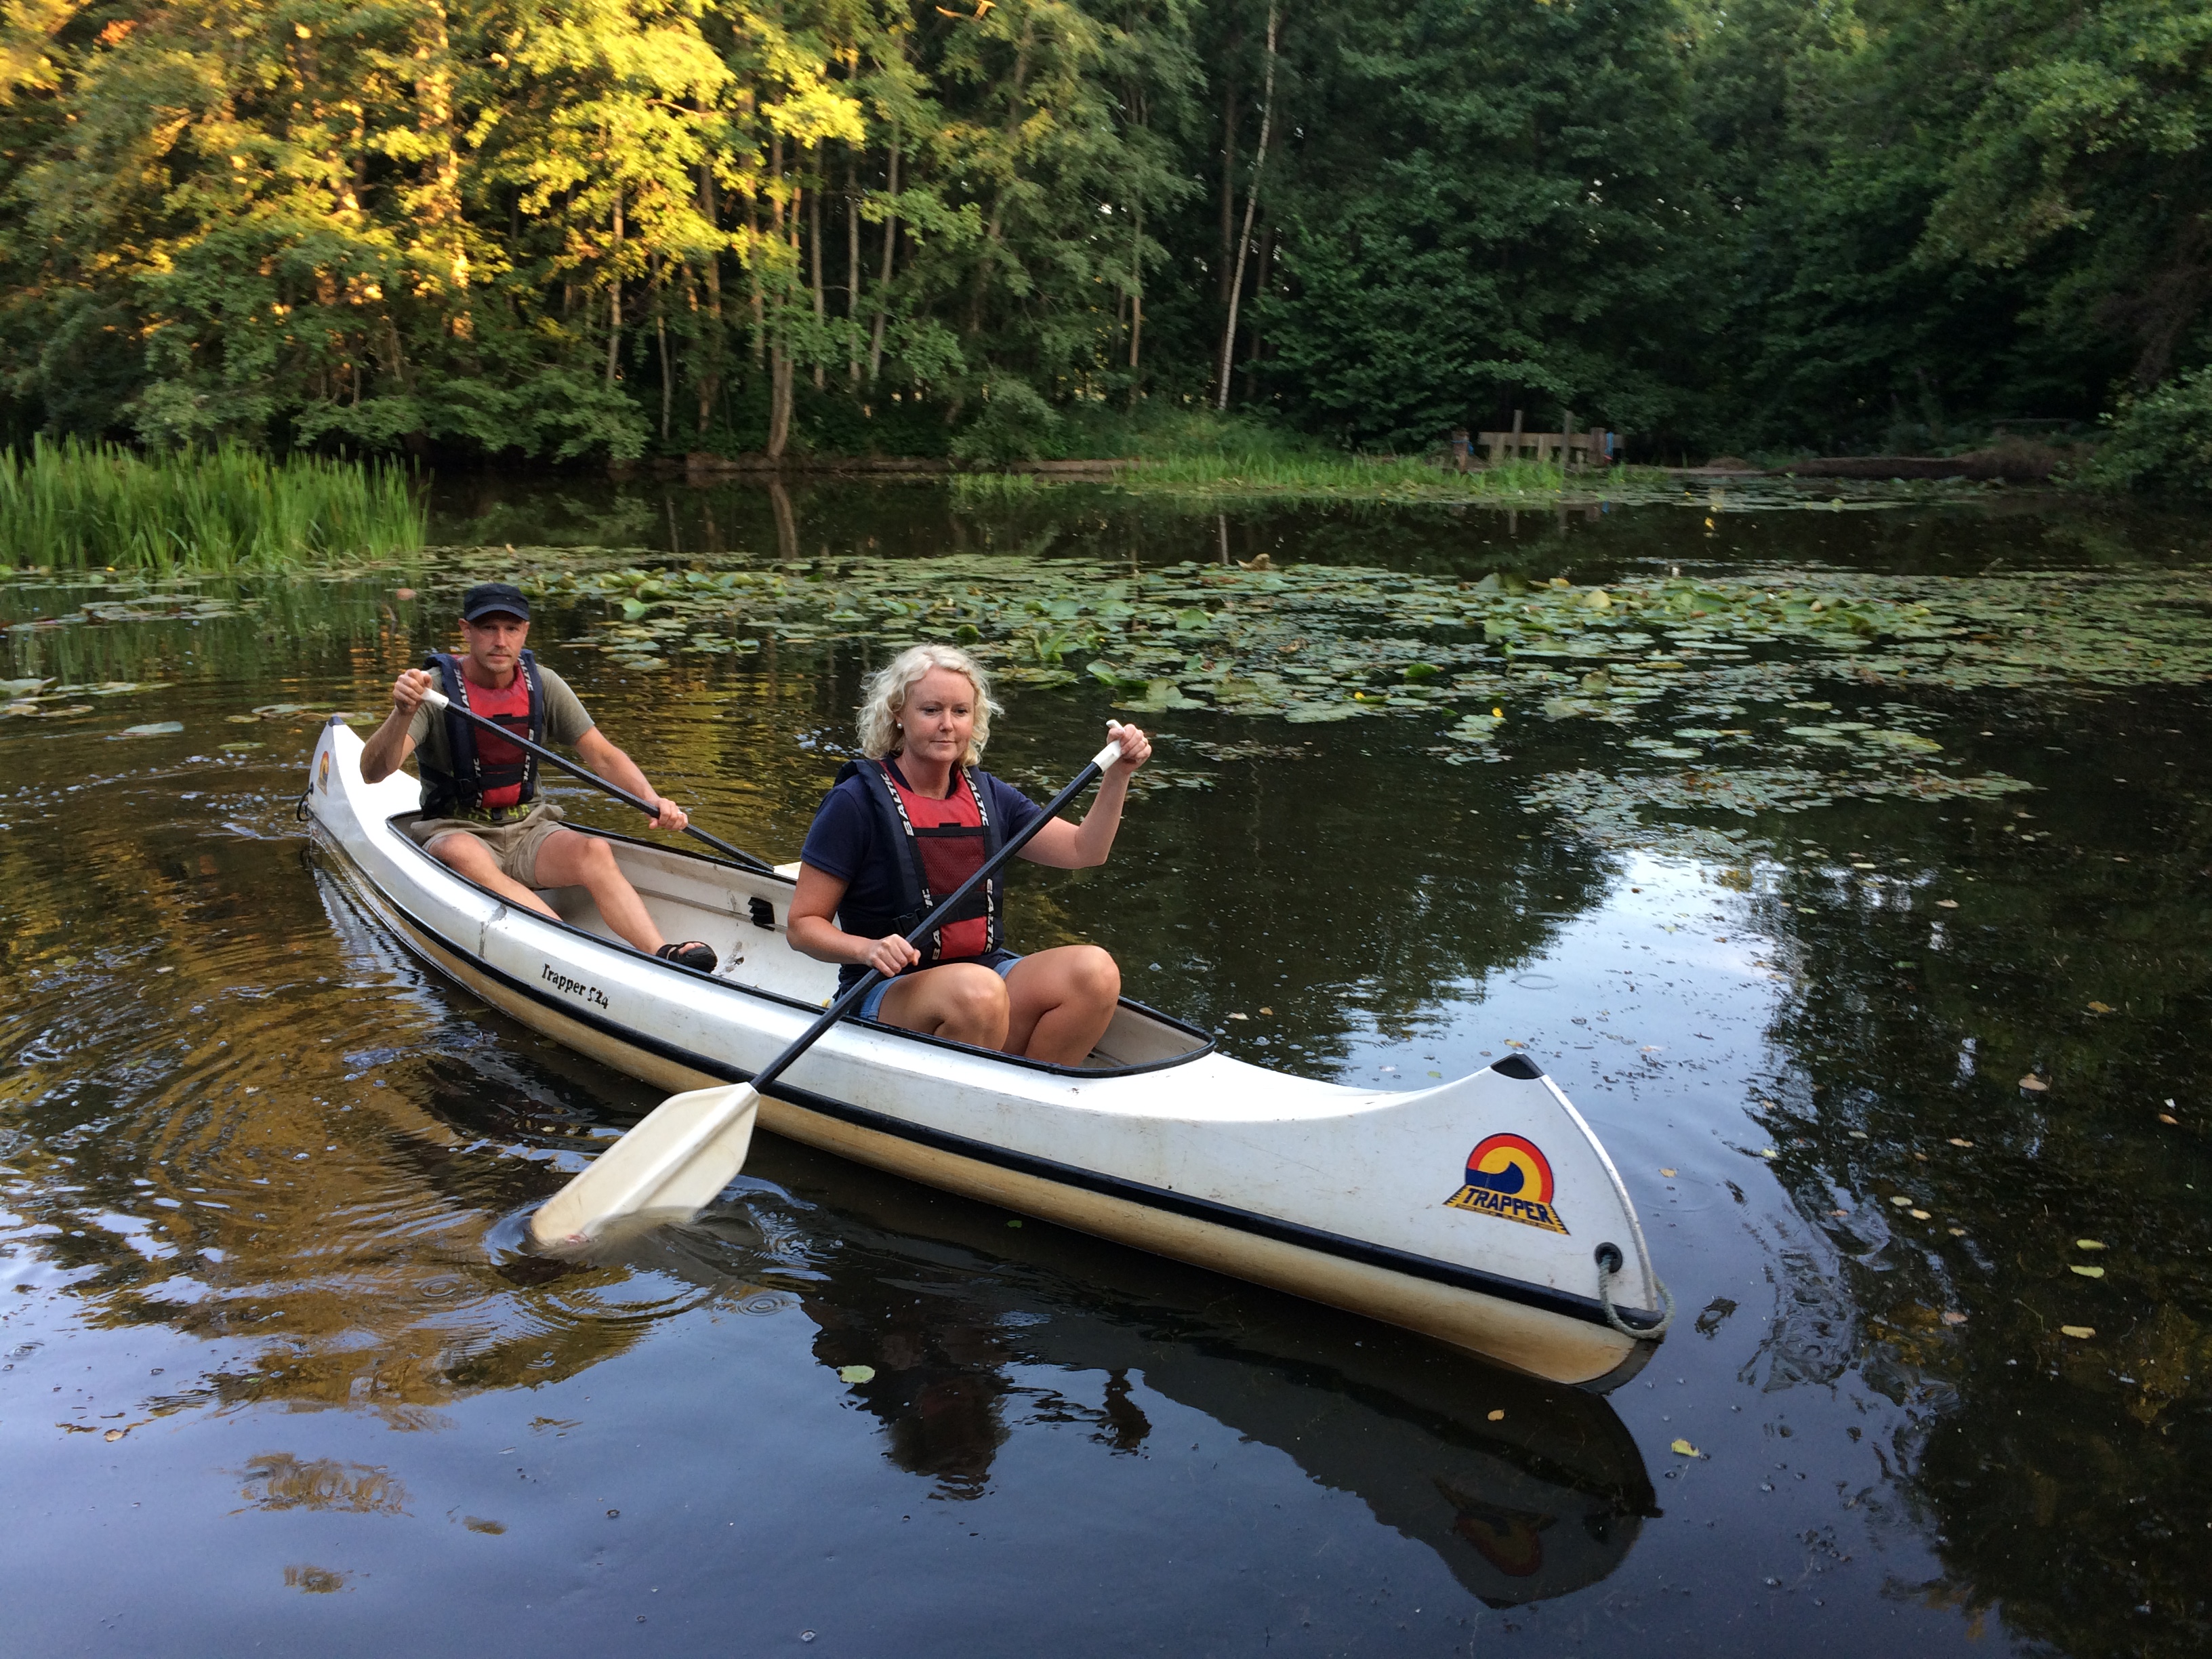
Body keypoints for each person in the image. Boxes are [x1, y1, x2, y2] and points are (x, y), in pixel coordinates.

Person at [788, 643, 1152, 1065]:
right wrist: (865, 949)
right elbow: (802, 926)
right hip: (884, 991)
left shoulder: (989, 795)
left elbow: (1084, 850)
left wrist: (1118, 775)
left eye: (960, 712)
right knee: (977, 993)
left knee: (1095, 972)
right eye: (931, 711)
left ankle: (1028, 1099)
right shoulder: (853, 803)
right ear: (897, 715)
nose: (947, 725)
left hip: (984, 980)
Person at [359, 581, 720, 971]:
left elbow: (602, 755)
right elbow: (373, 772)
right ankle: (570, 947)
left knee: (594, 850)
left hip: (529, 828)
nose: (500, 640)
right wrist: (402, 712)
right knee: (460, 853)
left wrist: (654, 801)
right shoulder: (435, 690)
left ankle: (661, 953)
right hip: (457, 828)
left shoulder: (543, 684)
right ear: (466, 631)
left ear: (525, 632)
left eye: (511, 629)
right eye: (488, 628)